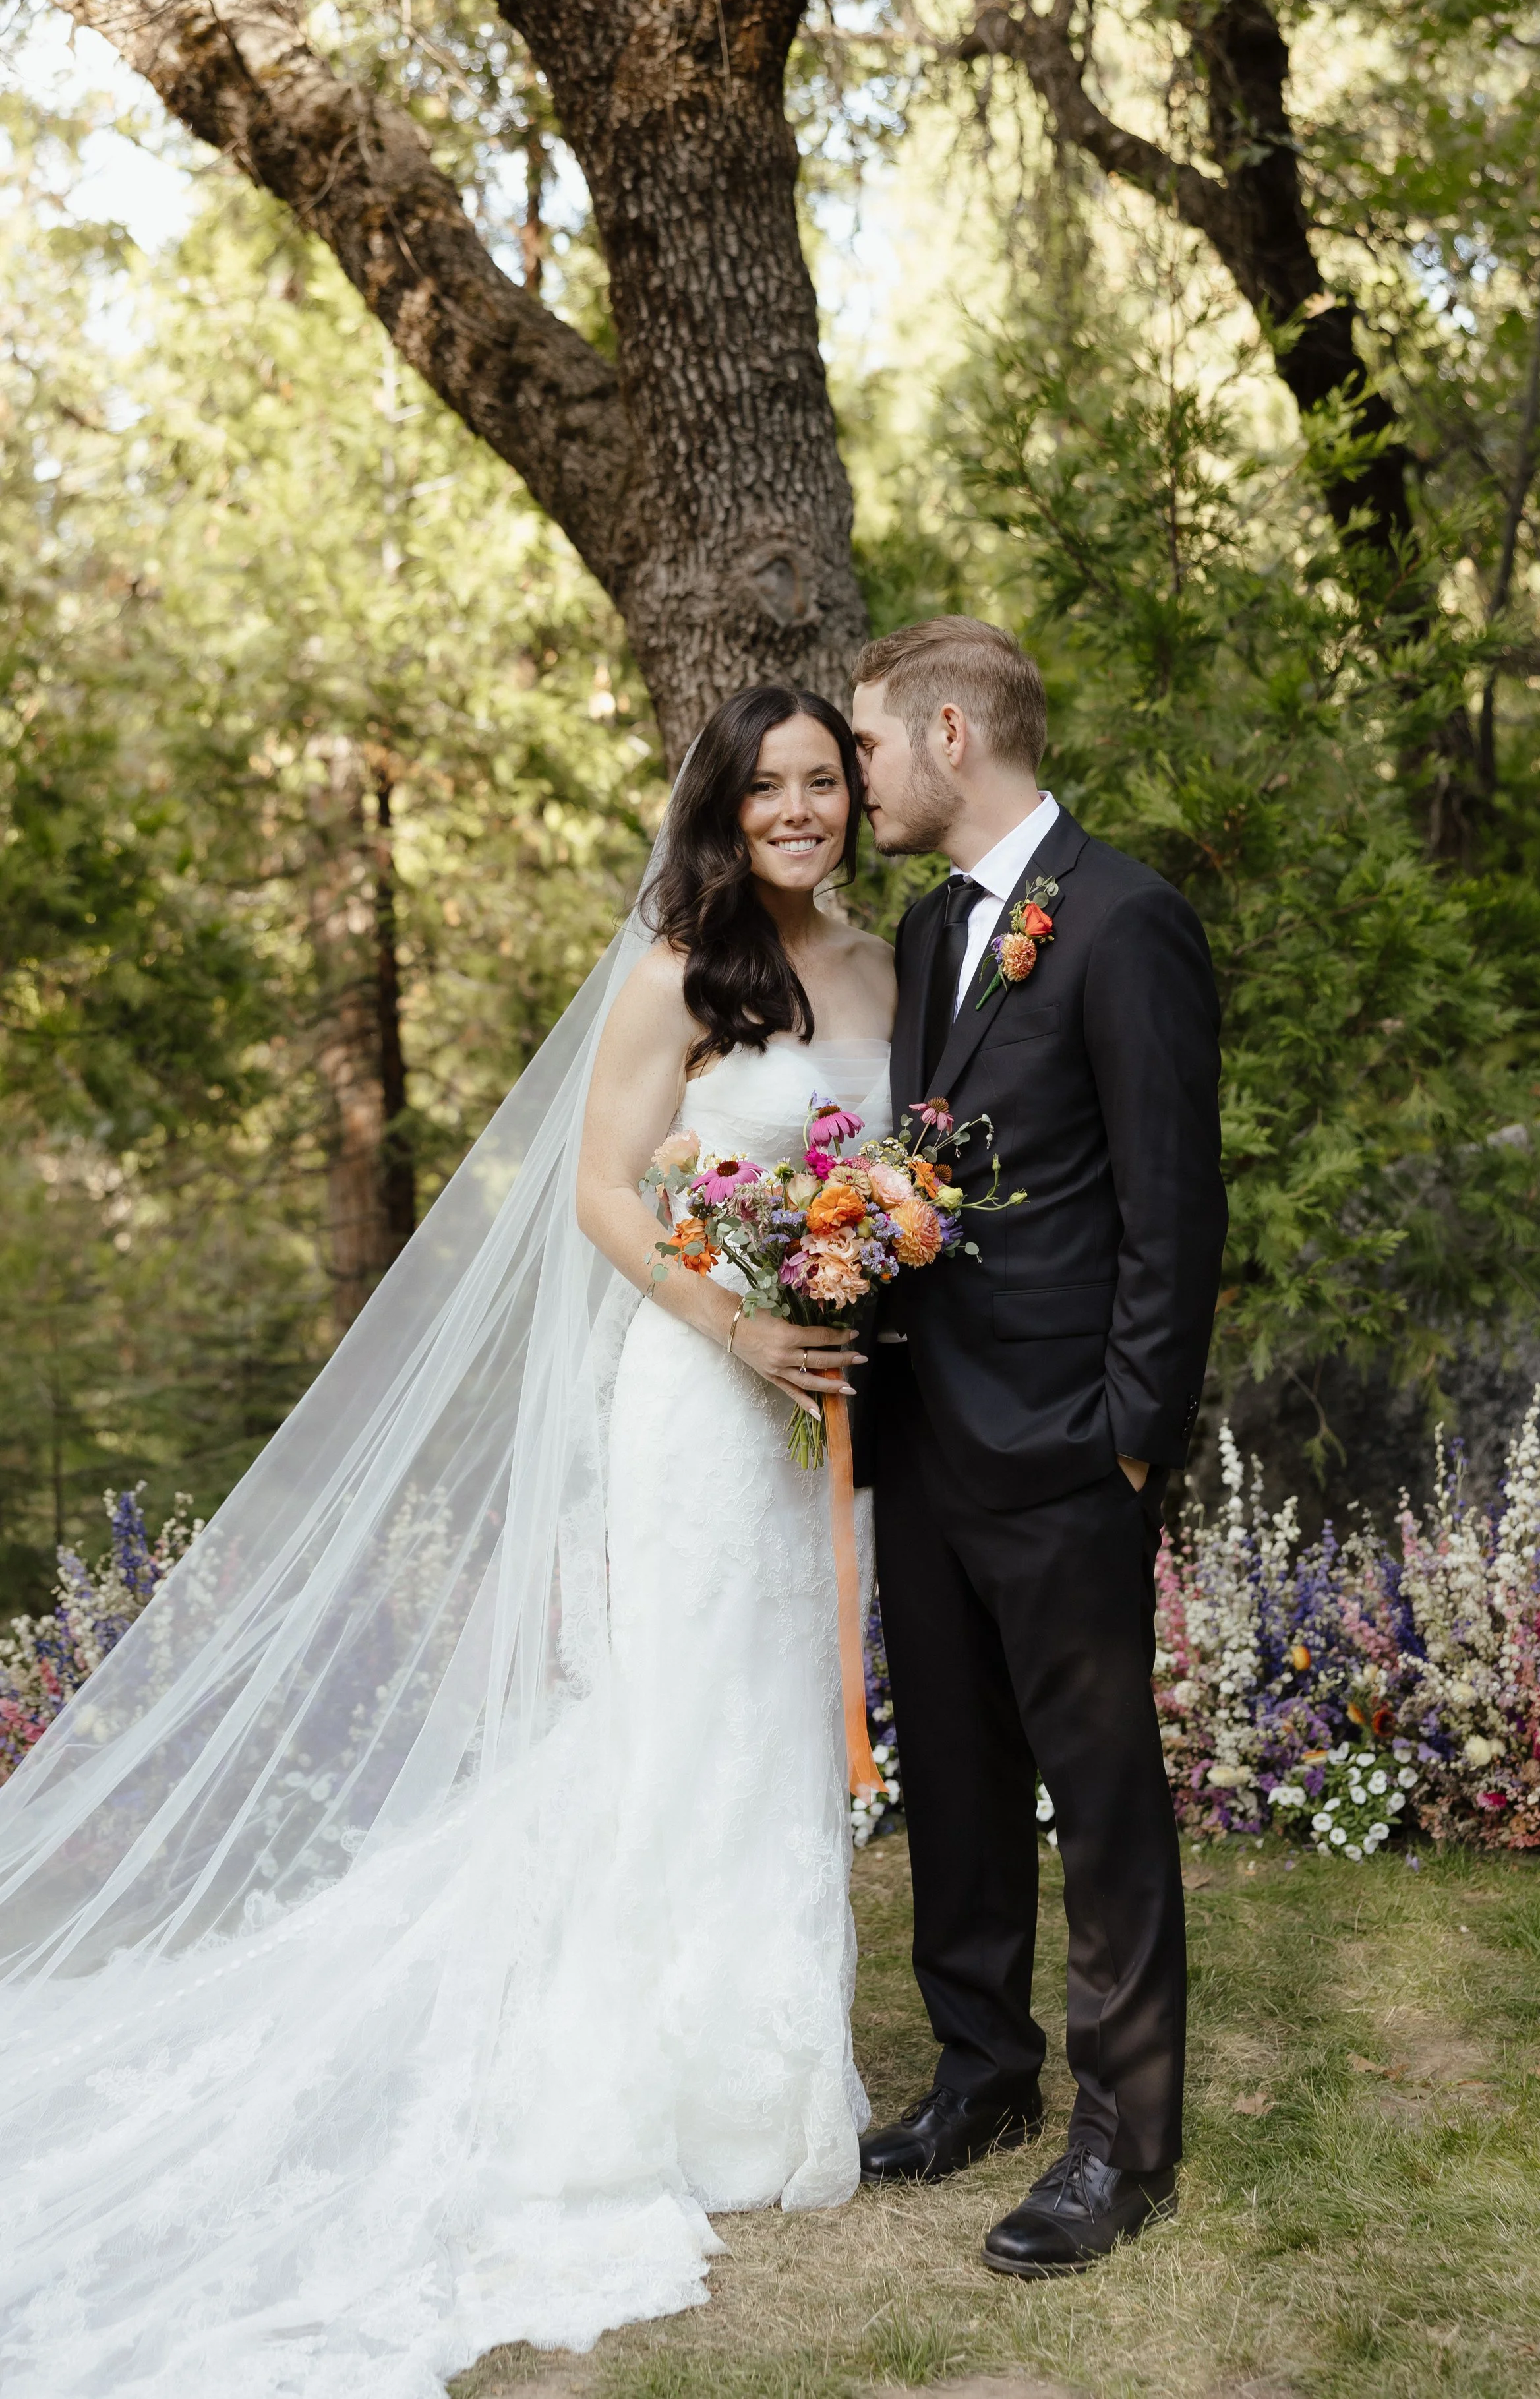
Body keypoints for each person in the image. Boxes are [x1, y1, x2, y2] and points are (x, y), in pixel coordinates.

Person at [0, 684, 892, 2397]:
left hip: (811, 1404)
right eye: (767, 784)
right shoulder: (679, 971)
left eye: (821, 782)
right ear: (722, 804)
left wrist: (853, 1275)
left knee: (776, 1717)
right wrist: (741, 1325)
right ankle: (664, 2080)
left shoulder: (878, 970)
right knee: (682, 1717)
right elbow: (604, 1191)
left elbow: (880, 1167)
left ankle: (783, 2079)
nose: (798, 809)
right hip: (703, 1393)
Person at [852, 616, 1227, 2277]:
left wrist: (1127, 1443)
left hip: (1068, 1449)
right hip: (928, 1439)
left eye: (865, 746)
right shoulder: (933, 930)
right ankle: (980, 2072)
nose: (857, 778)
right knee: (950, 1768)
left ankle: (1120, 2140)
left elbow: (1171, 1206)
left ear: (947, 733)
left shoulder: (1127, 919)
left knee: (1100, 1793)